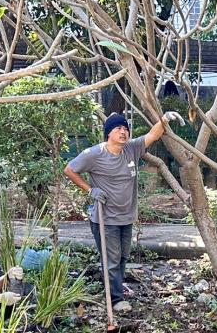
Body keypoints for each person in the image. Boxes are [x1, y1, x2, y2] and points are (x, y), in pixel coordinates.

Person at [64, 110, 181, 312]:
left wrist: (164, 119)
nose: (123, 132)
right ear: (108, 133)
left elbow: (152, 135)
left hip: (126, 216)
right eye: (118, 128)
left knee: (123, 257)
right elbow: (69, 169)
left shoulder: (132, 149)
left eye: (126, 129)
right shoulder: (94, 154)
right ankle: (115, 299)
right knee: (111, 259)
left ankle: (115, 290)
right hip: (105, 217)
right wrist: (90, 190)